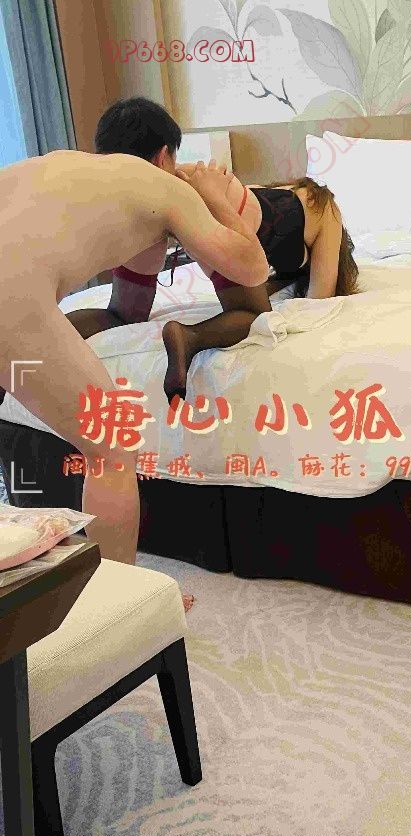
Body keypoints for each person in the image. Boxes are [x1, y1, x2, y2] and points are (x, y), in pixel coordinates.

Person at [0, 150, 269, 563]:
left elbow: (126, 309)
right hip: (10, 292)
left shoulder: (86, 171)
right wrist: (214, 195)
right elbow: (253, 269)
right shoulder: (171, 189)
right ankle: (121, 594)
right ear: (165, 156)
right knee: (111, 449)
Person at [73, 97, 359, 403]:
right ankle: (189, 337)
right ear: (163, 156)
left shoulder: (137, 193)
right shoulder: (326, 207)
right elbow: (319, 299)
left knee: (120, 314)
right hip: (221, 213)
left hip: (167, 210)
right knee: (252, 315)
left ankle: (45, 328)